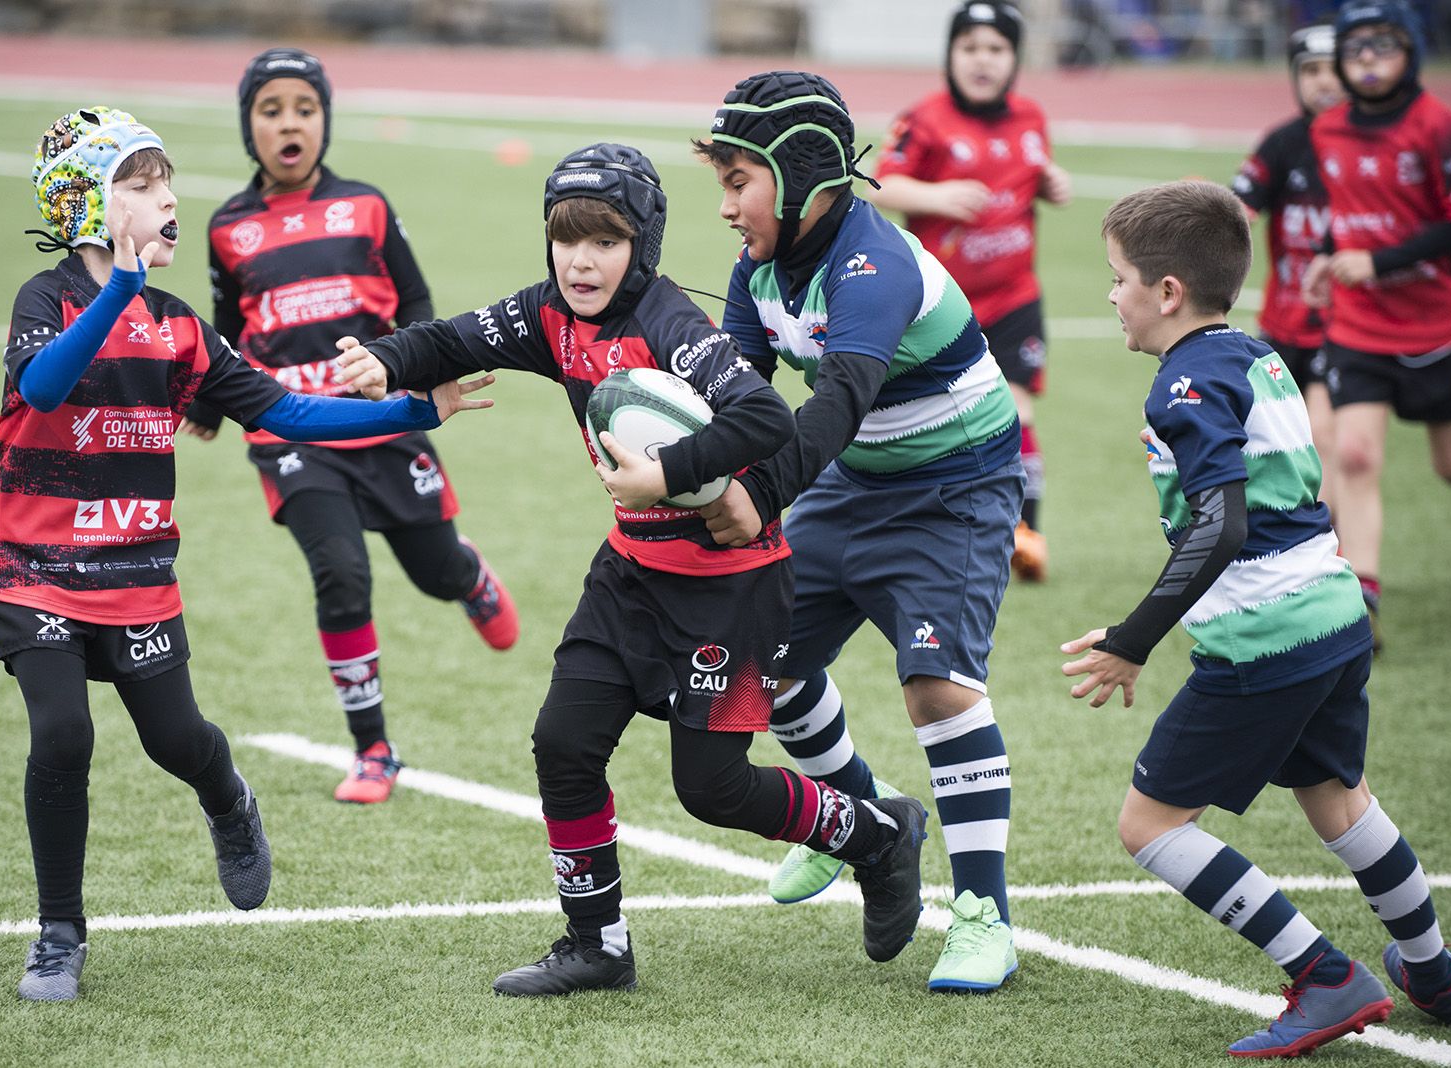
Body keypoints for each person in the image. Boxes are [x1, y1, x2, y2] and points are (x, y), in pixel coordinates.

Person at [334, 143, 930, 997]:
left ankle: (876, 834)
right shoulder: (549, 315)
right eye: (565, 239)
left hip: (731, 585)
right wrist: (389, 358)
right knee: (562, 743)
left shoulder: (669, 325)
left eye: (605, 242)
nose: (581, 260)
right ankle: (597, 944)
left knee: (713, 789)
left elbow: (762, 415)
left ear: (641, 247)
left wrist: (670, 472)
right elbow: (454, 336)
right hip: (630, 575)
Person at [0, 106, 493, 1001]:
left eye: (168, 182)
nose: (169, 200)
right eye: (142, 187)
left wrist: (421, 409)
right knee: (61, 734)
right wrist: (118, 289)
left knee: (178, 741)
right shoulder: (49, 297)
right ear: (87, 207)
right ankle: (59, 934)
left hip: (136, 571)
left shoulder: (182, 327)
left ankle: (228, 799)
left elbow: (286, 412)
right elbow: (42, 385)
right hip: (32, 568)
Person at [1061, 179, 1451, 1057]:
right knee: (1338, 801)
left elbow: (1221, 521)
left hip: (1266, 639)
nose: (1111, 297)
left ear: (1167, 291)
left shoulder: (1181, 385)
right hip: (1333, 617)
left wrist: (1132, 642)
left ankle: (1325, 976)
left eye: (1118, 278)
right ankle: (1433, 969)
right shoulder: (1256, 351)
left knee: (1149, 825)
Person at [694, 71, 1024, 993]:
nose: (725, 208)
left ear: (801, 177)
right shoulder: (758, 268)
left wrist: (757, 497)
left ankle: (985, 916)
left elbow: (837, 400)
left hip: (954, 492)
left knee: (937, 689)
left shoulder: (872, 266)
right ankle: (867, 820)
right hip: (856, 481)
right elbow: (737, 395)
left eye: (738, 183)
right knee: (766, 661)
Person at [180, 48, 518, 805]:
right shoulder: (230, 226)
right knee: (341, 572)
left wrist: (418, 369)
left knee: (432, 573)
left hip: (383, 421)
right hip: (290, 433)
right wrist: (206, 402)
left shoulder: (365, 205)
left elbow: (419, 300)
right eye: (271, 110)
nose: (289, 122)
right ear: (249, 127)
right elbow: (226, 323)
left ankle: (467, 575)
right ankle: (374, 750)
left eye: (304, 106)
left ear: (324, 119)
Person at [868, 1, 1071, 582]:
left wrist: (1055, 183)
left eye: (997, 49)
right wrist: (936, 197)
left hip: (1013, 295)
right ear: (950, 55)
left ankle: (1023, 533)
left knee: (1016, 406)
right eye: (970, 48)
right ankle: (921, 523)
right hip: (942, 303)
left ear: (1015, 58)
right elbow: (880, 183)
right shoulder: (925, 121)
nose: (983, 61)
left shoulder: (1031, 118)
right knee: (934, 414)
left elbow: (1031, 178)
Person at [1301, 0, 1451, 651]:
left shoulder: (1440, 127)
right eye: (1356, 49)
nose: (1368, 60)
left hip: (1438, 326)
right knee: (1352, 454)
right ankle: (1360, 602)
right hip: (1359, 326)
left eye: (1383, 45)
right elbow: (1346, 212)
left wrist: (1377, 261)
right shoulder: (1330, 129)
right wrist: (1327, 257)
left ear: (1411, 51)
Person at [1231, 23, 1344, 509]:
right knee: (1268, 440)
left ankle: (1332, 553)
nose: (1324, 81)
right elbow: (1240, 207)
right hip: (1283, 324)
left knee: (1318, 436)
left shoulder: (1369, 148)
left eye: (1335, 69)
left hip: (1343, 327)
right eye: (1311, 70)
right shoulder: (1282, 143)